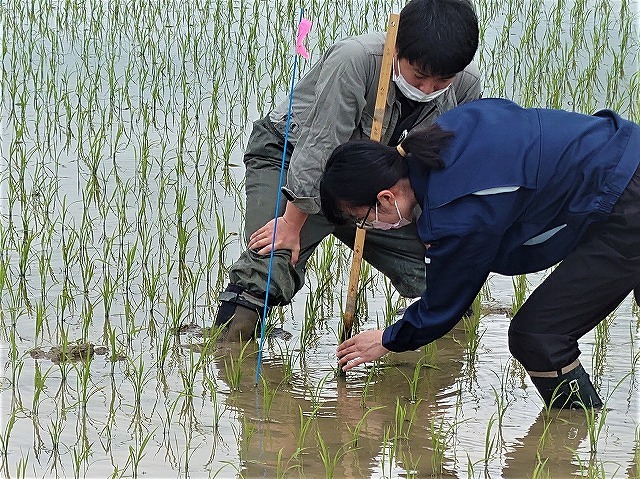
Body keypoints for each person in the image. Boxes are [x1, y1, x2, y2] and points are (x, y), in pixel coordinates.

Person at [320, 97, 640, 409]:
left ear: (386, 198)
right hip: (627, 153)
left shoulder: (455, 211)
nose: (371, 227)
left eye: (363, 219)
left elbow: (444, 305)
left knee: (538, 338)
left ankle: (577, 435)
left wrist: (389, 339)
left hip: (626, 201)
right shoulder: (449, 128)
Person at [214, 0, 482, 340]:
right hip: (291, 157)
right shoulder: (355, 60)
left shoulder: (465, 85)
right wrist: (292, 222)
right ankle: (226, 361)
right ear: (396, 47)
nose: (429, 89)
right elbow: (318, 146)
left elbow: (446, 168)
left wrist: (439, 231)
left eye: (441, 80)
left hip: (377, 182)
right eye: (420, 76)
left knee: (447, 275)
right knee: (268, 263)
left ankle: (433, 375)